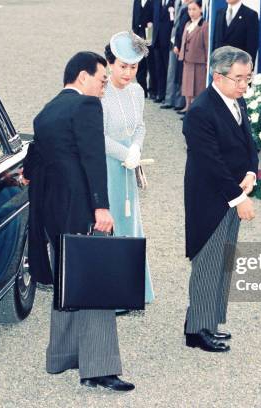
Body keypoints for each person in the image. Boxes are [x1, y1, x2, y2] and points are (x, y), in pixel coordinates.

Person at [27, 51, 134, 391]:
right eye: (102, 80)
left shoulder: (48, 111)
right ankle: (99, 369)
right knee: (94, 285)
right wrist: (101, 208)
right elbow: (92, 158)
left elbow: (34, 162)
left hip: (53, 211)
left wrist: (24, 178)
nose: (104, 87)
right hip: (81, 209)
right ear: (83, 77)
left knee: (67, 283)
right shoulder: (86, 106)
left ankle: (62, 357)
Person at [182, 46, 258, 352]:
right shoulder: (201, 111)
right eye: (238, 78)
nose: (243, 85)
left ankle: (208, 322)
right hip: (210, 199)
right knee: (207, 264)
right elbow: (210, 163)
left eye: (247, 79)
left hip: (232, 192)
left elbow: (248, 144)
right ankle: (198, 330)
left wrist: (252, 173)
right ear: (218, 76)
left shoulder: (236, 103)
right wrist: (239, 197)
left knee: (222, 263)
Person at [102, 31, 155, 305]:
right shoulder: (101, 92)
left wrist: (136, 148)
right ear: (110, 63)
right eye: (123, 66)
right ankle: (111, 292)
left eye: (133, 67)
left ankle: (133, 290)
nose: (128, 73)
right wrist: (125, 153)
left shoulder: (137, 91)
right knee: (110, 222)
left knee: (130, 221)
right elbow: (99, 137)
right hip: (108, 166)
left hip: (127, 166)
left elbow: (140, 126)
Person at [178, 0, 208, 114]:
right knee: (187, 84)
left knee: (197, 86)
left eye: (194, 9)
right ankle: (187, 106)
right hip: (187, 59)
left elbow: (206, 44)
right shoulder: (188, 24)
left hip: (198, 60)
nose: (191, 12)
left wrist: (206, 62)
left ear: (200, 9)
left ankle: (194, 109)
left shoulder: (204, 25)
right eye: (189, 9)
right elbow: (183, 40)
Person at [160, 0, 191, 111]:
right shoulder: (180, 4)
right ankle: (170, 99)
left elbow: (182, 28)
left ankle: (178, 102)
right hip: (173, 41)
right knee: (172, 71)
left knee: (179, 73)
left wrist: (178, 43)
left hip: (181, 43)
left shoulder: (189, 7)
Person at [212, 0, 259, 66]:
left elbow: (252, 46)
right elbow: (215, 40)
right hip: (219, 65)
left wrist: (249, 67)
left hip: (238, 66)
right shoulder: (219, 13)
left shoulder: (250, 15)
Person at [151, 0, 175, 103]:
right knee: (159, 68)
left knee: (167, 69)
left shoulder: (173, 2)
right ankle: (160, 94)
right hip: (157, 39)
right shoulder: (156, 2)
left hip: (168, 41)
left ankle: (168, 96)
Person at [132, 0, 154, 98]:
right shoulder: (137, 1)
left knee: (151, 63)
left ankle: (153, 90)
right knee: (140, 63)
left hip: (149, 33)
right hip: (138, 34)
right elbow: (134, 15)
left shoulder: (154, 2)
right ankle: (142, 90)